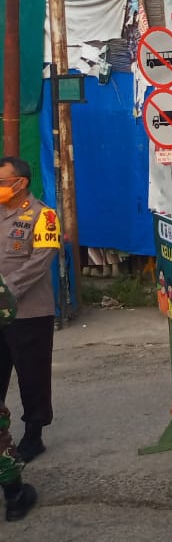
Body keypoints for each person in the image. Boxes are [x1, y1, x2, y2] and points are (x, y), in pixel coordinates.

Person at [0, 157, 59, 464]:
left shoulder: (44, 216)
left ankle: (34, 435)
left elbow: (40, 261)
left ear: (20, 183)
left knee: (32, 376)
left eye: (1, 182)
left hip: (29, 313)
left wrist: (4, 290)